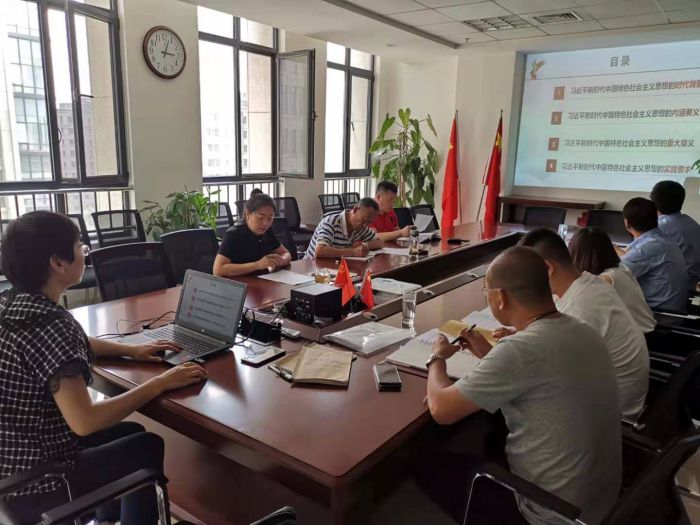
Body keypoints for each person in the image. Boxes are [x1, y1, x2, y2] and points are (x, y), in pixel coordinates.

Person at [0, 211, 207, 525]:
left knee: (132, 433)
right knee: (147, 447)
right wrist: (160, 383)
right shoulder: (53, 324)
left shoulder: (11, 304)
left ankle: (106, 515)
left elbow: (72, 343)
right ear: (57, 262)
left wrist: (131, 350)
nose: (85, 251)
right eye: (79, 245)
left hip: (10, 466)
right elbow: (85, 422)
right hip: (40, 482)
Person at [425, 246, 621, 524]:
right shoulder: (583, 329)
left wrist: (436, 358)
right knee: (488, 433)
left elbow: (441, 409)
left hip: (550, 512)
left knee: (427, 464)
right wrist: (490, 354)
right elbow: (539, 373)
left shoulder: (520, 349)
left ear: (501, 297)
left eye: (487, 292)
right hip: (600, 501)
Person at [520, 228, 649, 418]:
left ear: (548, 268)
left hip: (609, 418)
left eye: (524, 274)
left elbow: (544, 378)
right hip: (620, 398)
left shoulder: (578, 309)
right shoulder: (591, 283)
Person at [569, 227, 656, 333]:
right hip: (651, 332)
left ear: (577, 256)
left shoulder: (604, 280)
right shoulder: (620, 269)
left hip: (641, 337)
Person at [620, 197, 689, 312]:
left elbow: (612, 276)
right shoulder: (660, 240)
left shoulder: (646, 249)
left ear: (627, 223)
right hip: (672, 310)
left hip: (658, 315)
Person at [213, 193, 292, 278]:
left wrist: (282, 260)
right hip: (241, 283)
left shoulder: (266, 231)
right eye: (260, 218)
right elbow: (218, 270)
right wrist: (257, 265)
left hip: (262, 280)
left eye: (270, 218)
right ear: (248, 214)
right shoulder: (233, 235)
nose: (265, 223)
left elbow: (285, 253)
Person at [650, 180, 700, 291]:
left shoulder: (660, 228)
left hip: (675, 287)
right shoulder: (691, 222)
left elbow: (636, 259)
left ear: (653, 202)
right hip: (693, 282)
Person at [305, 197, 384, 259]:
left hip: (334, 266)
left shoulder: (361, 227)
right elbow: (319, 251)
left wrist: (364, 245)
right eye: (364, 220)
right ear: (355, 210)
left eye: (369, 222)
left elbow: (379, 243)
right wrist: (352, 252)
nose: (365, 225)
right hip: (312, 269)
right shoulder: (331, 222)